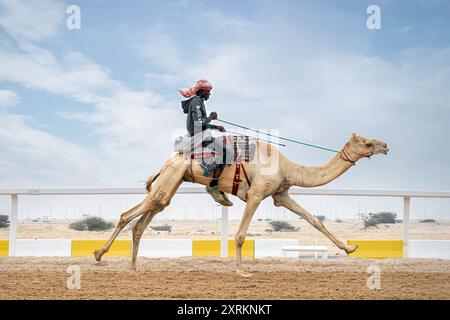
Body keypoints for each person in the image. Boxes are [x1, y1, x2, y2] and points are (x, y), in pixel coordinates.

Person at [179, 80, 233, 206]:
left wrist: (216, 127)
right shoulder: (197, 102)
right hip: (199, 136)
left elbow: (201, 123)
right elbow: (199, 122)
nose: (209, 94)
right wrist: (211, 118)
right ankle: (213, 185)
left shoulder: (198, 101)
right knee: (227, 152)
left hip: (200, 134)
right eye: (208, 92)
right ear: (202, 91)